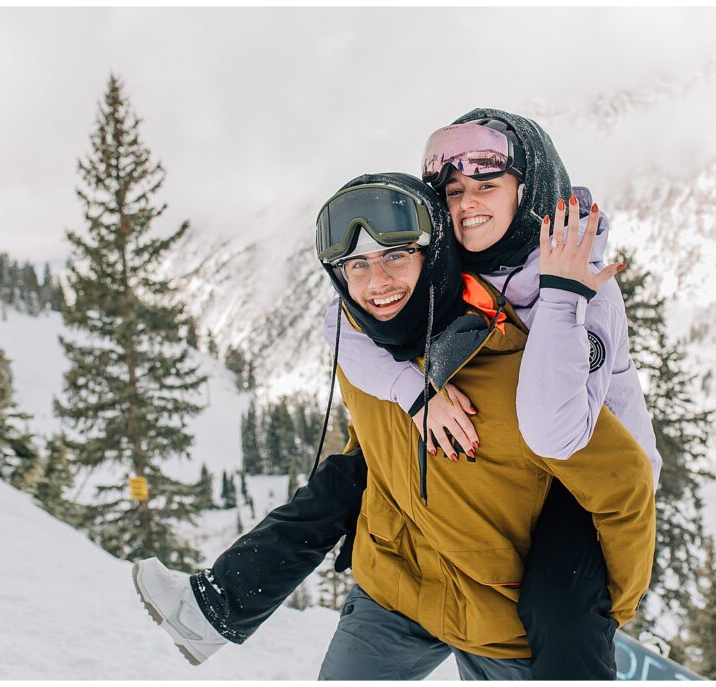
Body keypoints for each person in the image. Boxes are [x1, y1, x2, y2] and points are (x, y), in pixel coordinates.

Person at [134, 170, 656, 680]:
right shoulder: (365, 347)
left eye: (395, 256)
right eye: (355, 266)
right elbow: (368, 453)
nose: (376, 283)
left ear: (435, 254)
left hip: (503, 624)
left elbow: (625, 483)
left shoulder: (518, 371)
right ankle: (209, 611)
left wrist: (600, 607)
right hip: (395, 593)